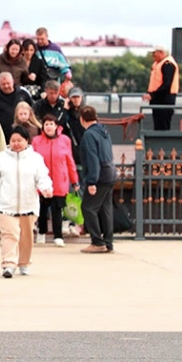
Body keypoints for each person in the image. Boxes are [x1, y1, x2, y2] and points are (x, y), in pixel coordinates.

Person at [0, 126, 53, 278]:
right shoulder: (1, 158)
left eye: (20, 140)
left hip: (29, 205)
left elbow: (42, 177)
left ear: (27, 141)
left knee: (26, 237)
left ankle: (24, 263)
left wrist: (46, 188)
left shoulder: (35, 158)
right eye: (13, 140)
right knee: (9, 235)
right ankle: (8, 264)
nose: (16, 144)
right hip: (5, 205)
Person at [31, 114, 79, 247]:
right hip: (42, 180)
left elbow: (70, 161)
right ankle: (41, 232)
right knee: (42, 209)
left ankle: (58, 236)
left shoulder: (65, 140)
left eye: (51, 124)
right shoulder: (36, 141)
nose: (48, 127)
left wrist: (74, 180)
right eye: (46, 124)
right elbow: (32, 161)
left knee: (57, 209)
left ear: (56, 126)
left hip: (59, 180)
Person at [78, 106, 117, 254]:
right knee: (106, 209)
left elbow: (92, 158)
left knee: (88, 207)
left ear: (82, 119)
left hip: (99, 175)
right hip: (110, 172)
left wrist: (92, 181)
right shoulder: (104, 131)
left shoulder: (89, 135)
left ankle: (97, 241)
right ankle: (108, 242)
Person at [0, 72, 33, 142]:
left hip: (24, 135)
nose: (6, 86)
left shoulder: (23, 92)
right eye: (3, 84)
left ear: (13, 81)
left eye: (8, 83)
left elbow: (32, 110)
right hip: (3, 136)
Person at [142, 45, 179, 131]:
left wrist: (152, 95)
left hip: (165, 101)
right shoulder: (157, 64)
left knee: (163, 127)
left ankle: (164, 140)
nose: (152, 55)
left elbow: (167, 85)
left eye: (154, 53)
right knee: (158, 126)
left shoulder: (168, 64)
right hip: (158, 100)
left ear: (161, 53)